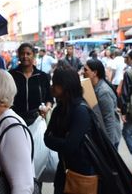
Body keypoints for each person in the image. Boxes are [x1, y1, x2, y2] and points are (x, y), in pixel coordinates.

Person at [44, 66, 97, 194]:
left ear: (65, 85)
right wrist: (60, 141)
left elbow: (70, 146)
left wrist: (54, 140)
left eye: (55, 83)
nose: (52, 86)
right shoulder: (59, 108)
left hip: (81, 175)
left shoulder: (80, 110)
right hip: (63, 169)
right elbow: (46, 138)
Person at [10, 43, 53, 126]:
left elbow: (49, 98)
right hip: (16, 119)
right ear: (18, 56)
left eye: (28, 54)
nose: (25, 56)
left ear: (33, 55)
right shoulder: (11, 75)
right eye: (22, 53)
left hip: (38, 120)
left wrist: (47, 108)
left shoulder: (42, 76)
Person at [84, 59, 121, 149]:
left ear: (95, 73)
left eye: (86, 70)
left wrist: (109, 146)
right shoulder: (94, 87)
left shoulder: (103, 92)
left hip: (110, 138)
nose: (83, 72)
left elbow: (109, 119)